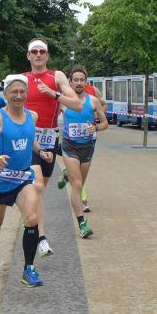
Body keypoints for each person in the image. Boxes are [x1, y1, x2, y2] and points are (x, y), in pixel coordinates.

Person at [0, 74, 53, 287]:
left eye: (22, 92)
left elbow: (29, 137)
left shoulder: (32, 116)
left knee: (31, 218)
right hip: (0, 180)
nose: (18, 96)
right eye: (14, 92)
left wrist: (41, 151)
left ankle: (28, 269)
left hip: (23, 178)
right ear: (5, 94)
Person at [23, 38, 83, 256]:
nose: (38, 54)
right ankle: (41, 238)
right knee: (38, 186)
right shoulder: (22, 79)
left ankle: (31, 223)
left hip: (49, 140)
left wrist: (54, 94)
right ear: (28, 56)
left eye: (42, 51)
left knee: (39, 191)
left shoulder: (56, 76)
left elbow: (77, 104)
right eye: (34, 51)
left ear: (47, 55)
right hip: (27, 141)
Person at [57, 66, 108, 237]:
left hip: (87, 147)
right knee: (77, 184)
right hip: (69, 146)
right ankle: (82, 224)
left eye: (82, 80)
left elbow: (105, 123)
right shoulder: (63, 101)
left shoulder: (93, 101)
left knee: (79, 185)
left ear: (86, 82)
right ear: (70, 83)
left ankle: (67, 174)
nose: (79, 83)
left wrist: (96, 128)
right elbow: (51, 119)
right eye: (76, 80)